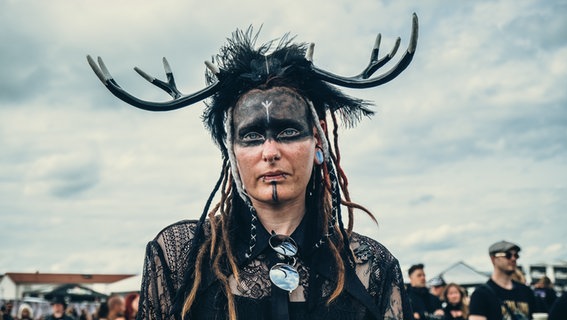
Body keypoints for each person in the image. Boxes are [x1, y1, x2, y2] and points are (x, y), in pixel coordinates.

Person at [88, 15, 419, 320]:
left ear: (317, 140)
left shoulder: (371, 266)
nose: (270, 151)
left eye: (288, 131)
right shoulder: (181, 256)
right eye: (252, 136)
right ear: (231, 151)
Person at [468, 240, 535, 320]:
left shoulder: (526, 291)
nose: (513, 259)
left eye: (516, 255)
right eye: (508, 255)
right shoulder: (481, 294)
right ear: (493, 259)